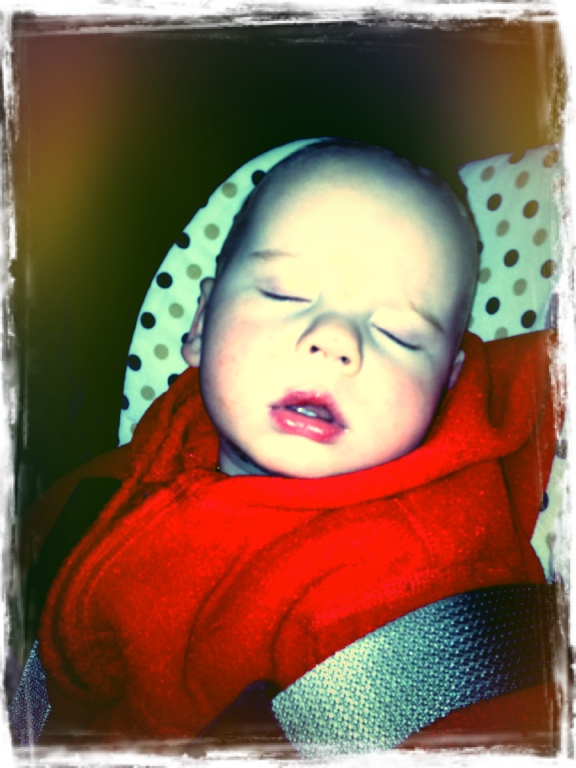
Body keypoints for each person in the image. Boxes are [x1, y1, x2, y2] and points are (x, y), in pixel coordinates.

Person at [19, 140, 560, 751]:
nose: (334, 341)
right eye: (284, 293)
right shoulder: (177, 431)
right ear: (200, 325)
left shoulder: (406, 596)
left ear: (444, 388)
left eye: (398, 333)